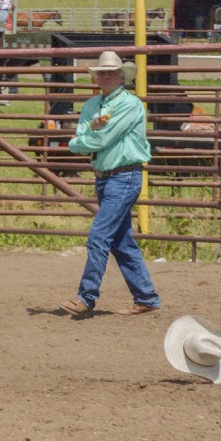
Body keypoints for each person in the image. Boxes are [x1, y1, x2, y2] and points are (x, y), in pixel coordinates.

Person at [60, 51, 161, 317]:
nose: (104, 76)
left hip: (123, 177)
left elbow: (93, 140)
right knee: (120, 241)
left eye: (109, 72)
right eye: (101, 72)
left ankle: (86, 297)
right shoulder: (94, 105)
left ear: (121, 76)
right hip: (108, 178)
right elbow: (82, 140)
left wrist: (85, 136)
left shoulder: (129, 104)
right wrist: (85, 138)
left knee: (99, 236)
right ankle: (146, 297)